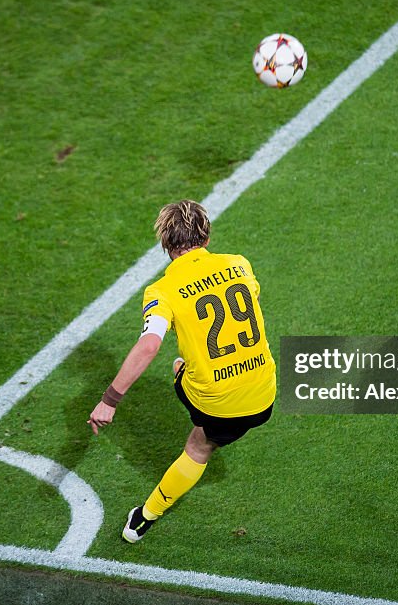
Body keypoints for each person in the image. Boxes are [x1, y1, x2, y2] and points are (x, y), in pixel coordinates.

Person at [87, 199, 276, 542]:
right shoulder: (239, 264)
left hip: (219, 403)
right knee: (196, 378)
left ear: (165, 243)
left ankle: (144, 517)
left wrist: (110, 401)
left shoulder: (162, 291)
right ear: (205, 236)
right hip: (265, 390)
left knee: (199, 443)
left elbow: (149, 345)